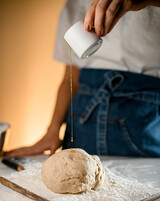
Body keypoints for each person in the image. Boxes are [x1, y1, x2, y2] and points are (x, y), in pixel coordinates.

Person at [5, 0, 160, 158]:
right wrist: (52, 130)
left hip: (145, 124)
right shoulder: (74, 4)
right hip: (81, 125)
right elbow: (70, 80)